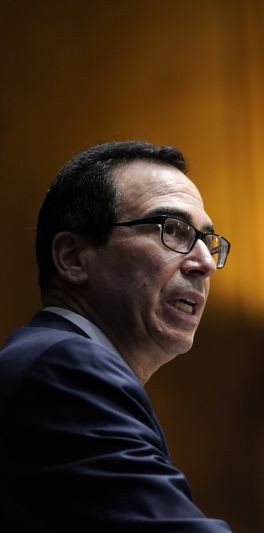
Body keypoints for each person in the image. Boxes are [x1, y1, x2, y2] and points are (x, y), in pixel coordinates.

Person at [0, 141, 233, 531]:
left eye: (207, 242)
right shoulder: (63, 369)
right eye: (172, 230)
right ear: (73, 258)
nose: (205, 263)